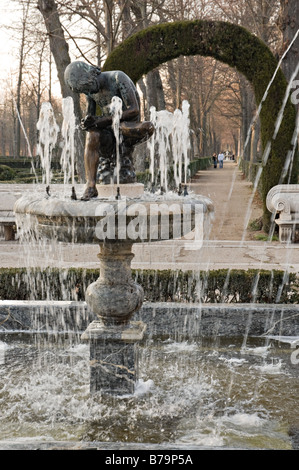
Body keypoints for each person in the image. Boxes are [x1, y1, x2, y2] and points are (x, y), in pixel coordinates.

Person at [64, 61, 154, 200]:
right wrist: (87, 123)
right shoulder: (90, 91)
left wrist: (102, 121)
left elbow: (133, 110)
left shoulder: (118, 78)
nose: (88, 92)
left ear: (92, 76)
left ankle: (122, 164)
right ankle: (91, 186)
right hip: (109, 131)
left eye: (88, 88)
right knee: (92, 135)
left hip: (128, 129)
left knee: (146, 126)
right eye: (84, 91)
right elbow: (92, 116)